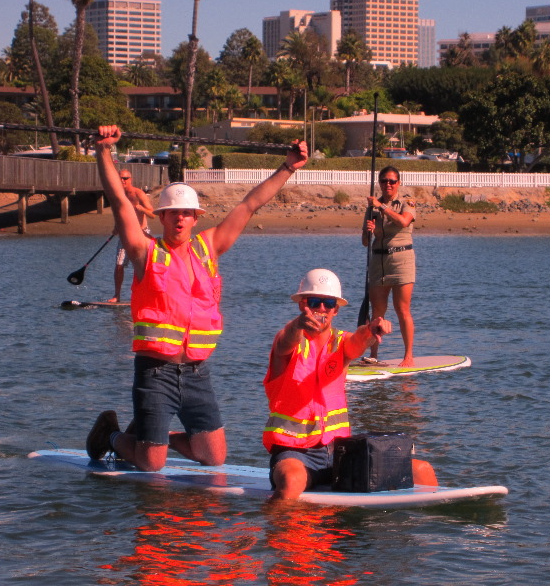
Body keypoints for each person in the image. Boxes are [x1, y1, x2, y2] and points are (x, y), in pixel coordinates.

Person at [86, 124, 308, 471]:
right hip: (155, 372)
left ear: (195, 218)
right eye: (173, 213)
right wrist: (103, 151)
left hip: (196, 374)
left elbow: (249, 204)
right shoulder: (145, 252)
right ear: (161, 217)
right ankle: (110, 436)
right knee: (152, 464)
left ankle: (149, 434)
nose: (180, 218)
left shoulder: (209, 248)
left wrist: (288, 167)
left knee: (214, 456)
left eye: (186, 213)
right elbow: (118, 200)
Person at [263, 268, 437, 501]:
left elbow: (356, 343)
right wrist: (297, 326)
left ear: (336, 309)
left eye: (328, 303)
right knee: (292, 481)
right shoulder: (289, 339)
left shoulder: (340, 342)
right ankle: (273, 532)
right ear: (302, 305)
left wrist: (371, 329)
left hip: (339, 453)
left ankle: (433, 526)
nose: (321, 309)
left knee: (421, 470)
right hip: (295, 454)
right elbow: (286, 340)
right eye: (314, 302)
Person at [361, 166, 416, 367]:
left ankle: (408, 356)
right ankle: (373, 354)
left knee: (402, 309)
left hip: (402, 260)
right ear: (380, 183)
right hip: (379, 261)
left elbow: (403, 222)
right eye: (384, 181)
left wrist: (382, 207)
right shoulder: (372, 208)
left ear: (398, 183)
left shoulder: (407, 203)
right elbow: (365, 242)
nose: (388, 185)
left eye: (392, 181)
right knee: (377, 311)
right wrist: (370, 231)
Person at [107, 170, 155, 303]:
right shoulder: (119, 195)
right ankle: (117, 295)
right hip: (125, 233)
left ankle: (144, 294)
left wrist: (141, 209)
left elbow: (153, 214)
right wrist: (117, 226)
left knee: (142, 266)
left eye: (125, 178)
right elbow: (119, 213)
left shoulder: (138, 193)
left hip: (142, 233)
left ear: (130, 179)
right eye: (120, 178)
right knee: (119, 265)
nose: (122, 180)